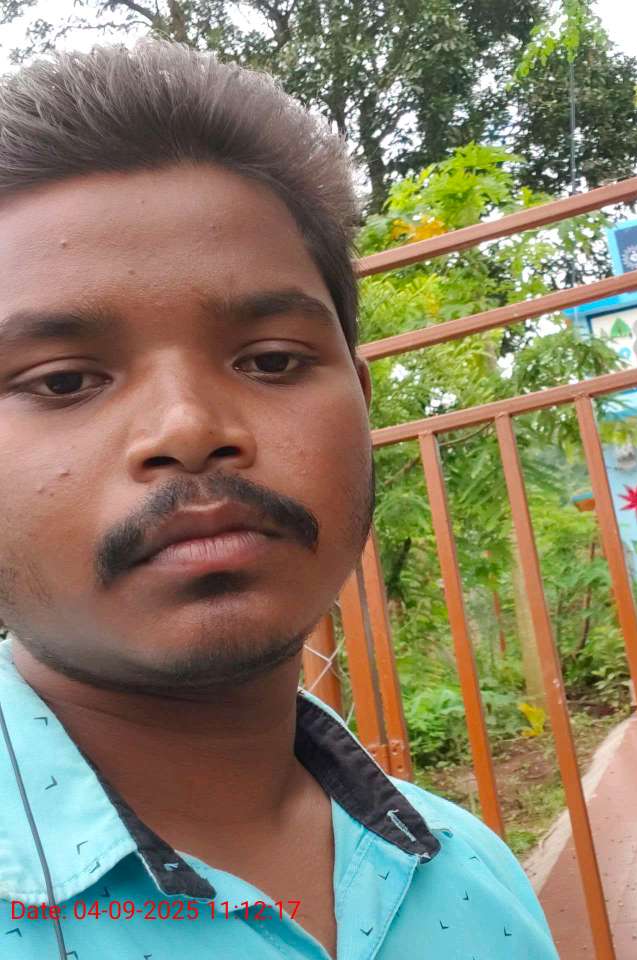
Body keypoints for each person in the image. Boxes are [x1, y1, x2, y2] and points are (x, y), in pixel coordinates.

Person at [0, 41, 559, 960]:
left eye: (269, 361)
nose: (189, 428)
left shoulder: (477, 877)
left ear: (362, 405)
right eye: (64, 380)